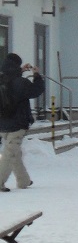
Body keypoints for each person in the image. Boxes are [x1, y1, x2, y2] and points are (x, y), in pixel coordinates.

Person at [0, 52, 45, 191]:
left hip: (2, 123)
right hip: (17, 123)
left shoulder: (2, 78)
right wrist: (37, 76)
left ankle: (23, 180)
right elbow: (36, 90)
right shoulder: (21, 82)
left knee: (14, 152)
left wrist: (20, 71)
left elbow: (11, 77)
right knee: (9, 154)